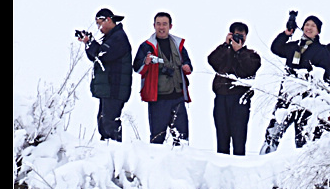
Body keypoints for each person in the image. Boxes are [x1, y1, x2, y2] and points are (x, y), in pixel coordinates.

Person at [261, 14, 330, 154]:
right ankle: (265, 156)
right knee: (275, 130)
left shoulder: (321, 50)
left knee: (303, 137)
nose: (309, 27)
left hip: (307, 99)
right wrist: (286, 34)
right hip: (287, 95)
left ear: (318, 31)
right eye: (307, 24)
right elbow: (276, 48)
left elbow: (326, 73)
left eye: (313, 26)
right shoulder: (294, 46)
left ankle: (301, 167)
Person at [133, 12, 193, 144]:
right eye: (158, 24)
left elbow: (188, 64)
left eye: (164, 24)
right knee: (157, 139)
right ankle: (155, 164)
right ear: (154, 26)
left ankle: (182, 164)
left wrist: (187, 67)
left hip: (177, 98)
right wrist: (146, 62)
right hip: (158, 99)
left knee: (182, 139)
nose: (161, 27)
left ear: (170, 26)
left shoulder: (178, 44)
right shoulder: (146, 46)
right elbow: (137, 68)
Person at [77, 8, 132, 142]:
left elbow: (102, 55)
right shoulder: (112, 37)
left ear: (108, 20)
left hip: (114, 89)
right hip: (110, 89)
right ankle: (107, 150)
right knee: (103, 122)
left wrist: (90, 42)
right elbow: (96, 57)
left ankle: (114, 152)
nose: (98, 27)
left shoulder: (119, 37)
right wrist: (89, 42)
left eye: (99, 23)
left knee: (109, 123)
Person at [207, 22, 262, 155]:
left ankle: (239, 168)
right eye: (236, 35)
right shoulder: (224, 52)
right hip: (221, 98)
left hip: (240, 100)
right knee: (222, 137)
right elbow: (212, 60)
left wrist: (239, 52)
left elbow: (249, 69)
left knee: (239, 138)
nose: (239, 38)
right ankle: (221, 168)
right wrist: (226, 45)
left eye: (242, 35)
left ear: (246, 37)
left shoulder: (251, 54)